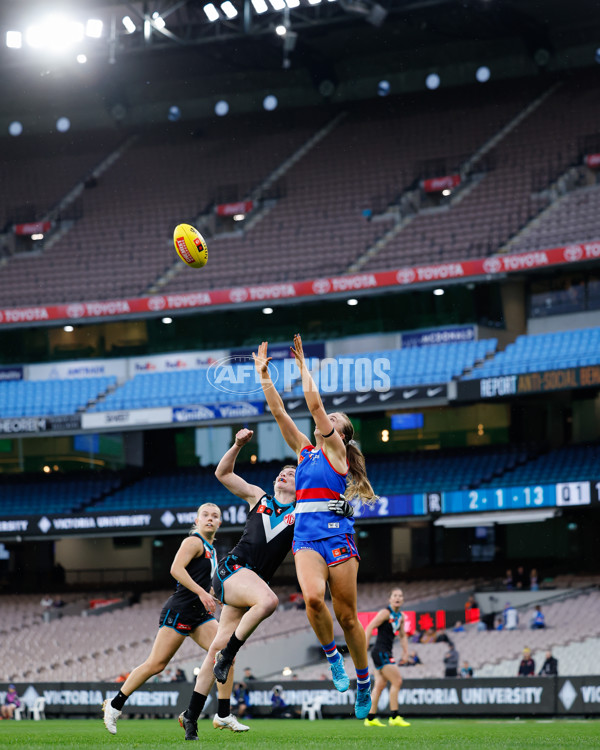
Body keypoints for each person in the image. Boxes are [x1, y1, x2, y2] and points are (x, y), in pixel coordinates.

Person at [253, 336, 377, 720]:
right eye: (329, 419)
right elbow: (278, 413)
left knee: (348, 618)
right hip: (306, 538)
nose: (329, 419)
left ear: (343, 434)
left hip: (338, 538)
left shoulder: (337, 451)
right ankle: (332, 658)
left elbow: (315, 405)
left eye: (336, 421)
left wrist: (303, 366)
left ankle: (362, 680)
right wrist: (265, 378)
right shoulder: (306, 451)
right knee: (311, 600)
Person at [178, 428, 297, 741]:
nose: (284, 474)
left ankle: (192, 715)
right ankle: (229, 657)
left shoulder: (301, 513)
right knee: (269, 601)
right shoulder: (259, 497)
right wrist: (237, 445)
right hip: (232, 570)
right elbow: (223, 472)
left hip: (248, 585)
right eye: (282, 471)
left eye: (292, 473)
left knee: (214, 649)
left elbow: (332, 510)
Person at [102, 503, 236, 735]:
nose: (210, 519)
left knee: (225, 655)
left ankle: (223, 714)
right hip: (180, 610)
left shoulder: (212, 550)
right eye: (205, 515)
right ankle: (114, 706)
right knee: (156, 665)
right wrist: (203, 593)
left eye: (215, 516)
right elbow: (176, 569)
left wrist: (216, 595)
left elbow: (205, 583)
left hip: (200, 614)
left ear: (220, 523)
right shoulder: (193, 541)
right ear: (197, 520)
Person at [363, 587, 411, 728]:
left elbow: (402, 635)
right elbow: (370, 627)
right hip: (381, 652)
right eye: (395, 595)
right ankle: (394, 716)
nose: (397, 598)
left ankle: (370, 718)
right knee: (397, 681)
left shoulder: (400, 616)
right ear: (389, 599)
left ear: (403, 599)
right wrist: (364, 646)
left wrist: (405, 651)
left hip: (385, 652)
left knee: (379, 685)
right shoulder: (385, 613)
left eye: (400, 596)